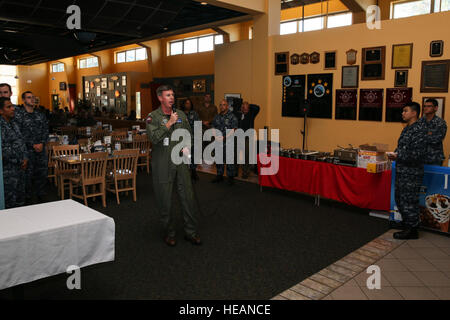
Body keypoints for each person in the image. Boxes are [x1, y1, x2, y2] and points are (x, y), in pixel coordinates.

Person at [146, 85, 201, 246]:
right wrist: (169, 123)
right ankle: (169, 233)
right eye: (168, 95)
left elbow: (189, 135)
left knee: (187, 197)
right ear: (160, 98)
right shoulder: (152, 117)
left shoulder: (181, 115)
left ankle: (191, 232)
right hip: (163, 163)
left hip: (181, 162)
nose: (171, 98)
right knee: (165, 200)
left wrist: (187, 147)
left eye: (172, 95)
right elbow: (154, 137)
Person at [387, 102, 427, 240]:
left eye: (405, 111)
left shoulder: (419, 129)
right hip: (402, 170)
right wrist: (394, 154)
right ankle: (407, 224)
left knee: (409, 201)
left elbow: (418, 154)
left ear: (414, 113)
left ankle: (413, 230)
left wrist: (398, 156)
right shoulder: (407, 128)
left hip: (412, 172)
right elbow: (402, 148)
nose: (402, 113)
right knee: (400, 198)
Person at [14, 91, 49, 204]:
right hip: (27, 151)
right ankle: (27, 199)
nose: (32, 100)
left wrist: (42, 143)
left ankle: (41, 196)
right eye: (29, 98)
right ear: (24, 100)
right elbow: (18, 134)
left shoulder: (40, 115)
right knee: (27, 177)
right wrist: (32, 144)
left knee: (41, 174)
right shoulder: (18, 115)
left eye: (33, 97)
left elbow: (46, 130)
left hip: (40, 150)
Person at [0, 97, 28, 208]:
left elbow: (22, 142)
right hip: (8, 172)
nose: (13, 109)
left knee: (20, 203)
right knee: (9, 204)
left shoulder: (14, 124)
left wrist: (25, 157)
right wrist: (20, 160)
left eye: (12, 106)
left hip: (20, 170)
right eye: (9, 107)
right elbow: (3, 149)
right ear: (1, 110)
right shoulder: (1, 126)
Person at [211, 99, 238, 185]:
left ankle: (230, 177)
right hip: (218, 142)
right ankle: (219, 175)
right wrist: (215, 136)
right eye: (220, 105)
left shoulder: (232, 116)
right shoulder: (217, 117)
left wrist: (224, 137)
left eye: (224, 105)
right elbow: (213, 127)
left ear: (227, 106)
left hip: (228, 141)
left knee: (229, 160)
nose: (222, 106)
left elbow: (234, 129)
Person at [419, 98, 447, 166]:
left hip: (435, 158)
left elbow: (436, 139)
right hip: (420, 157)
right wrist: (427, 134)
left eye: (429, 106)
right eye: (425, 106)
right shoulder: (419, 121)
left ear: (436, 108)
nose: (426, 108)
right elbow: (415, 137)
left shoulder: (440, 123)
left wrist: (422, 135)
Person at [237, 101, 260, 179]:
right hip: (240, 137)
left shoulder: (252, 114)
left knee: (246, 155)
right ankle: (242, 170)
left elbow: (258, 107)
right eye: (244, 108)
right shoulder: (239, 114)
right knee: (240, 155)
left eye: (247, 108)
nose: (245, 110)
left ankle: (245, 172)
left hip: (248, 137)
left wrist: (249, 105)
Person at [182, 98, 201, 181]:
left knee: (193, 155)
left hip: (193, 138)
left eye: (189, 103)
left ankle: (193, 171)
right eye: (186, 103)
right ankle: (184, 173)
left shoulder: (195, 114)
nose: (188, 105)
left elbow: (198, 125)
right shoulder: (179, 114)